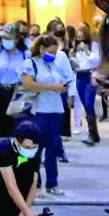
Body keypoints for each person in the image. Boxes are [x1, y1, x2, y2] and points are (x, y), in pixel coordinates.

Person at [19, 34, 73, 196]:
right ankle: (36, 185)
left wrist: (62, 88)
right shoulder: (30, 63)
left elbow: (65, 82)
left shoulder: (55, 64)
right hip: (39, 111)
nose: (53, 55)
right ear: (41, 49)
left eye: (55, 52)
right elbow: (28, 84)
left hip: (55, 110)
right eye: (50, 52)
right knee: (36, 149)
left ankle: (52, 183)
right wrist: (51, 87)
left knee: (53, 147)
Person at [71, 24, 101, 145]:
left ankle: (91, 134)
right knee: (84, 103)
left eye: (82, 37)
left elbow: (96, 60)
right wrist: (72, 60)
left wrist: (87, 50)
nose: (80, 40)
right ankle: (95, 134)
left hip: (90, 76)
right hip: (79, 76)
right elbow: (76, 64)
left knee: (89, 104)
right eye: (78, 37)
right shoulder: (75, 48)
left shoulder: (94, 46)